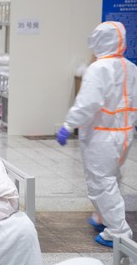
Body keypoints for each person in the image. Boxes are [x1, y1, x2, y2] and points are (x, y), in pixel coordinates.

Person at [56, 21, 137, 247]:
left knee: (101, 182)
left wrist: (68, 125)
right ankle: (103, 217)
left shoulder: (98, 69)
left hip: (102, 136)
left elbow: (87, 104)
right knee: (112, 177)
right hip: (124, 134)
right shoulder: (130, 67)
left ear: (101, 43)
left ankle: (119, 233)